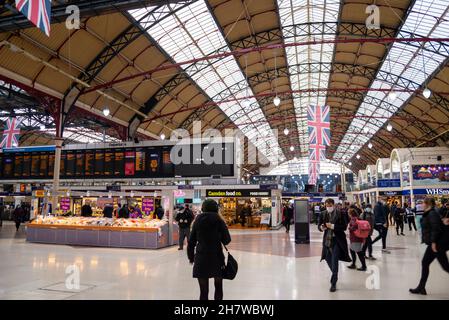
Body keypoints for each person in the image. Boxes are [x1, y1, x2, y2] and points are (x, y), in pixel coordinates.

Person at [188, 199, 231, 300]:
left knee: (203, 291)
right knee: (218, 287)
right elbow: (227, 240)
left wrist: (191, 258)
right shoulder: (219, 221)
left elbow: (191, 242)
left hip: (201, 258)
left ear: (203, 209)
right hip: (217, 258)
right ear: (216, 209)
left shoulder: (197, 221)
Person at [410, 197, 449, 295]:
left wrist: (433, 242)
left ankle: (421, 287)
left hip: (437, 245)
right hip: (434, 243)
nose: (421, 205)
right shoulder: (431, 213)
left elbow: (435, 228)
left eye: (423, 203)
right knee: (425, 263)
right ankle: (421, 287)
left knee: (446, 267)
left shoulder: (432, 213)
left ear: (428, 204)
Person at [318, 198, 351, 292]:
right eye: (327, 206)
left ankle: (333, 283)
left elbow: (344, 227)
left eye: (330, 206)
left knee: (334, 260)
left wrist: (332, 226)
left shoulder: (341, 214)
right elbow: (319, 226)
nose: (328, 207)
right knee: (328, 258)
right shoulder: (323, 214)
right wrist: (322, 227)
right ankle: (335, 274)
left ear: (333, 205)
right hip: (327, 241)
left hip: (337, 240)